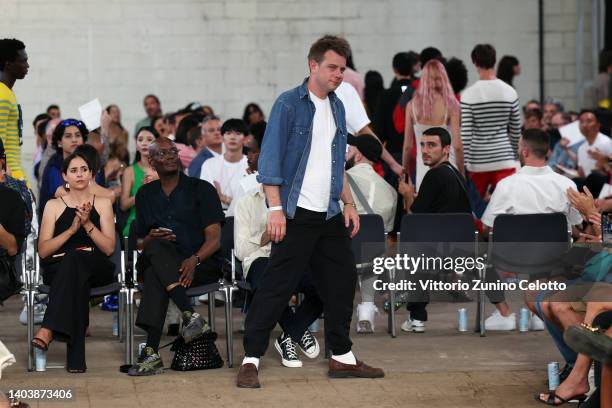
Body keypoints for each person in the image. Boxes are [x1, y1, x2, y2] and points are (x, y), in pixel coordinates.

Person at [237, 35, 383, 389]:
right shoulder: (288, 104)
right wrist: (275, 208)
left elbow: (336, 164)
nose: (338, 75)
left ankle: (341, 356)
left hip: (329, 214)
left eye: (343, 69)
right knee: (276, 285)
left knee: (343, 279)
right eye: (332, 67)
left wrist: (348, 202)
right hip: (295, 212)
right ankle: (250, 359)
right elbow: (269, 162)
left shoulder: (337, 106)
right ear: (312, 65)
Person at [128, 137, 224, 376]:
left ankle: (151, 353)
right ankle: (189, 314)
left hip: (199, 265)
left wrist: (195, 260)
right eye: (162, 154)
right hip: (167, 263)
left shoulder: (202, 189)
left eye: (173, 151)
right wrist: (151, 238)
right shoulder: (145, 194)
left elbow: (214, 239)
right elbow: (140, 241)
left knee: (155, 274)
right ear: (151, 162)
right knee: (156, 248)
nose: (170, 155)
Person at [480, 129, 583, 330]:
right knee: (547, 243)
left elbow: (487, 226)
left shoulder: (506, 185)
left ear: (525, 152)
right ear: (549, 153)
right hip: (555, 258)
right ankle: (540, 311)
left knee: (474, 250)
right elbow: (575, 222)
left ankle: (505, 314)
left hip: (510, 258)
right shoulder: (566, 184)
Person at [31, 151, 116, 373]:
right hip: (59, 268)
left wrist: (87, 224)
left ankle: (48, 327)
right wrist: (70, 231)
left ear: (91, 174)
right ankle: (76, 360)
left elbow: (108, 248)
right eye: (74, 170)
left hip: (96, 265)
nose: (79, 174)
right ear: (64, 176)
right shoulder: (53, 205)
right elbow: (43, 250)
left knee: (76, 259)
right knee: (75, 273)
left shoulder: (104, 203)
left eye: (84, 170)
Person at [234, 182, 322, 368]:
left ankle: (290, 336)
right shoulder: (246, 202)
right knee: (267, 283)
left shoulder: (299, 201)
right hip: (258, 258)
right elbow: (241, 251)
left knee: (324, 285)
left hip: (293, 258)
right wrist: (266, 235)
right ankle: (295, 330)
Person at [397, 127, 471, 332]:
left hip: (436, 253)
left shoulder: (434, 176)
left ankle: (417, 317)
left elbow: (415, 217)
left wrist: (407, 194)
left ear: (446, 149)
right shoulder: (456, 174)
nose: (425, 150)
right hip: (461, 252)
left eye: (432, 145)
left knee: (412, 247)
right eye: (422, 145)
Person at [345, 134, 397, 332]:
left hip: (342, 253)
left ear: (358, 156)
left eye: (350, 151)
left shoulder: (343, 181)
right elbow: (386, 231)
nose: (347, 154)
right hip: (373, 259)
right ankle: (366, 307)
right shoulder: (390, 191)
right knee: (375, 244)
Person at [461, 44, 521, 197]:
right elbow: (515, 131)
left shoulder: (468, 95)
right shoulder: (510, 92)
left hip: (478, 162)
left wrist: (464, 164)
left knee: (476, 210)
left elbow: (466, 134)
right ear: (494, 60)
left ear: (475, 62)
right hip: (505, 159)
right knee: (507, 208)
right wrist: (513, 155)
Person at [403, 59, 464, 191]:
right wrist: (462, 172)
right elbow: (458, 146)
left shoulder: (412, 106)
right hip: (448, 168)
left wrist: (405, 173)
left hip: (423, 168)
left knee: (425, 209)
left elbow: (407, 146)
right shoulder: (452, 105)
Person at [39, 119, 90, 220]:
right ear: (59, 142)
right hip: (58, 220)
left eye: (78, 135)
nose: (74, 140)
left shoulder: (92, 161)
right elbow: (59, 192)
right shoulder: (54, 165)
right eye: (68, 136)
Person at [200, 119, 248, 211]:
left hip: (244, 216)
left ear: (245, 139)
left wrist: (222, 198)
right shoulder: (209, 164)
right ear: (222, 137)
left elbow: (250, 203)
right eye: (228, 133)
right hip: (216, 215)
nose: (232, 137)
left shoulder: (251, 166)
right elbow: (206, 198)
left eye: (238, 133)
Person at [120, 127, 159, 237]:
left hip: (161, 220)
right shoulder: (130, 171)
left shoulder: (164, 170)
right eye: (140, 140)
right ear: (136, 145)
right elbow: (123, 206)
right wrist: (142, 191)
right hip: (136, 222)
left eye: (149, 139)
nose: (144, 143)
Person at [0, 38, 29, 184]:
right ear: (8, 65)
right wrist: (6, 180)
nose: (27, 65)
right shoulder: (2, 94)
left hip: (14, 175)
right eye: (23, 61)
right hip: (9, 178)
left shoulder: (8, 92)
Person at [226, 122, 265, 217]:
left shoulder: (249, 182)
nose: (248, 156)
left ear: (265, 153)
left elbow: (232, 216)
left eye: (253, 151)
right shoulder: (249, 178)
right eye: (247, 151)